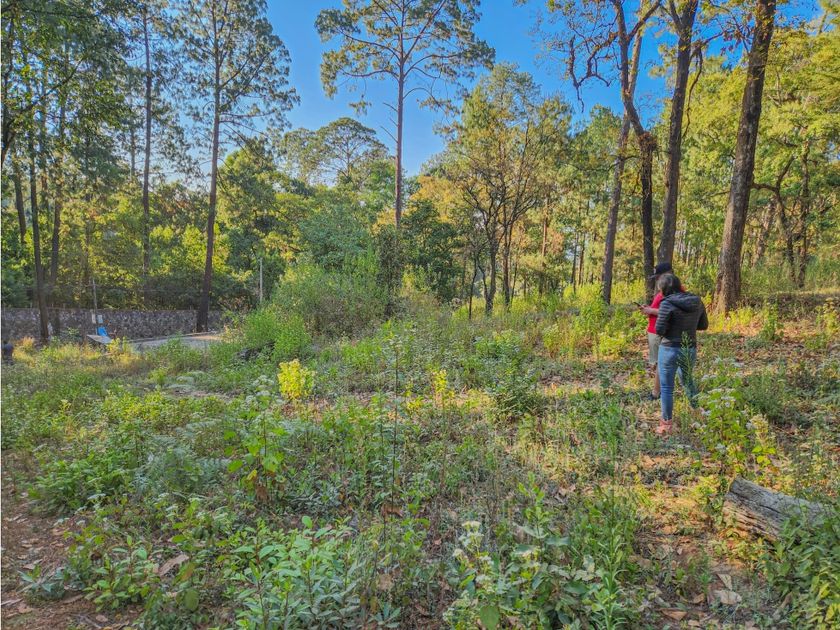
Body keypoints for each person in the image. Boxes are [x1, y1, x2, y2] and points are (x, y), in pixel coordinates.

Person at [653, 273, 708, 435]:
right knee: (688, 380)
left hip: (669, 348)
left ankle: (666, 424)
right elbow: (703, 325)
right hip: (689, 347)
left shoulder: (666, 303)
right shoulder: (697, 301)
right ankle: (698, 412)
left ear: (663, 289)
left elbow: (659, 329)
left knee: (666, 387)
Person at [638, 261, 674, 400]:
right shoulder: (664, 290)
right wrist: (649, 309)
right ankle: (658, 391)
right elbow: (661, 308)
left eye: (659, 277)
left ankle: (657, 392)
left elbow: (671, 311)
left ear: (667, 274)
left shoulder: (673, 290)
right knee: (659, 362)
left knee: (661, 362)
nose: (657, 280)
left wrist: (651, 310)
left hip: (660, 331)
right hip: (654, 330)